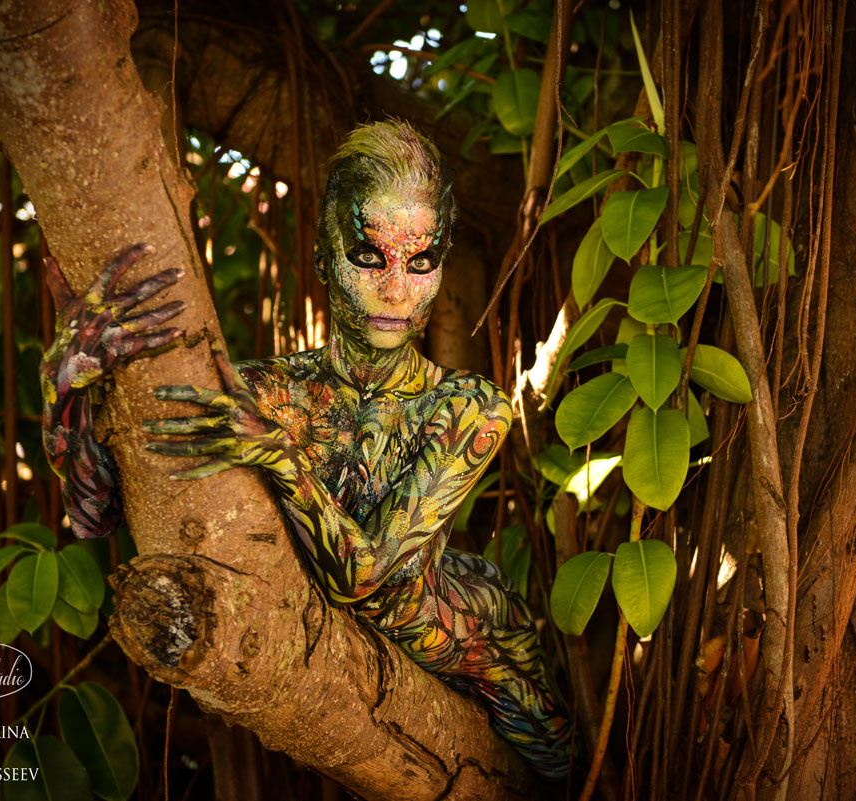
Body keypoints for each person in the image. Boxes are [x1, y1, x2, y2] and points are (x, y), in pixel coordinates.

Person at [41, 121, 572, 778]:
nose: (397, 289)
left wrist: (281, 458)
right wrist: (65, 388)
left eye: (421, 261)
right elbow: (93, 516)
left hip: (501, 676)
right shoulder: (260, 394)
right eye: (369, 256)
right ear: (324, 259)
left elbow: (368, 582)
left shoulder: (469, 407)